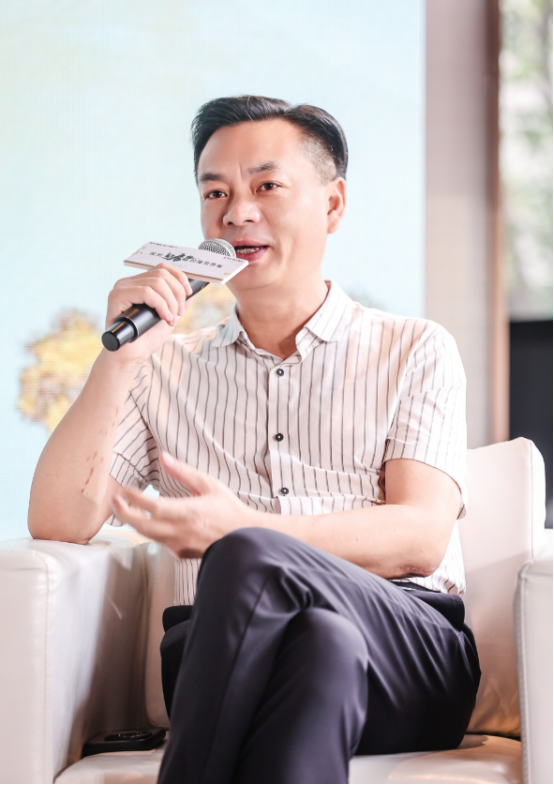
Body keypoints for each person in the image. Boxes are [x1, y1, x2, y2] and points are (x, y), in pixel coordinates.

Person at [29, 96, 480, 785]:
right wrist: (118, 359)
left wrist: (243, 529)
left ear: (332, 205)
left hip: (406, 646)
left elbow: (420, 535)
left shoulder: (415, 349)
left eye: (267, 186)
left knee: (246, 552)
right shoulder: (160, 367)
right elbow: (58, 520)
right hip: (225, 648)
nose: (237, 213)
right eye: (216, 192)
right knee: (322, 644)